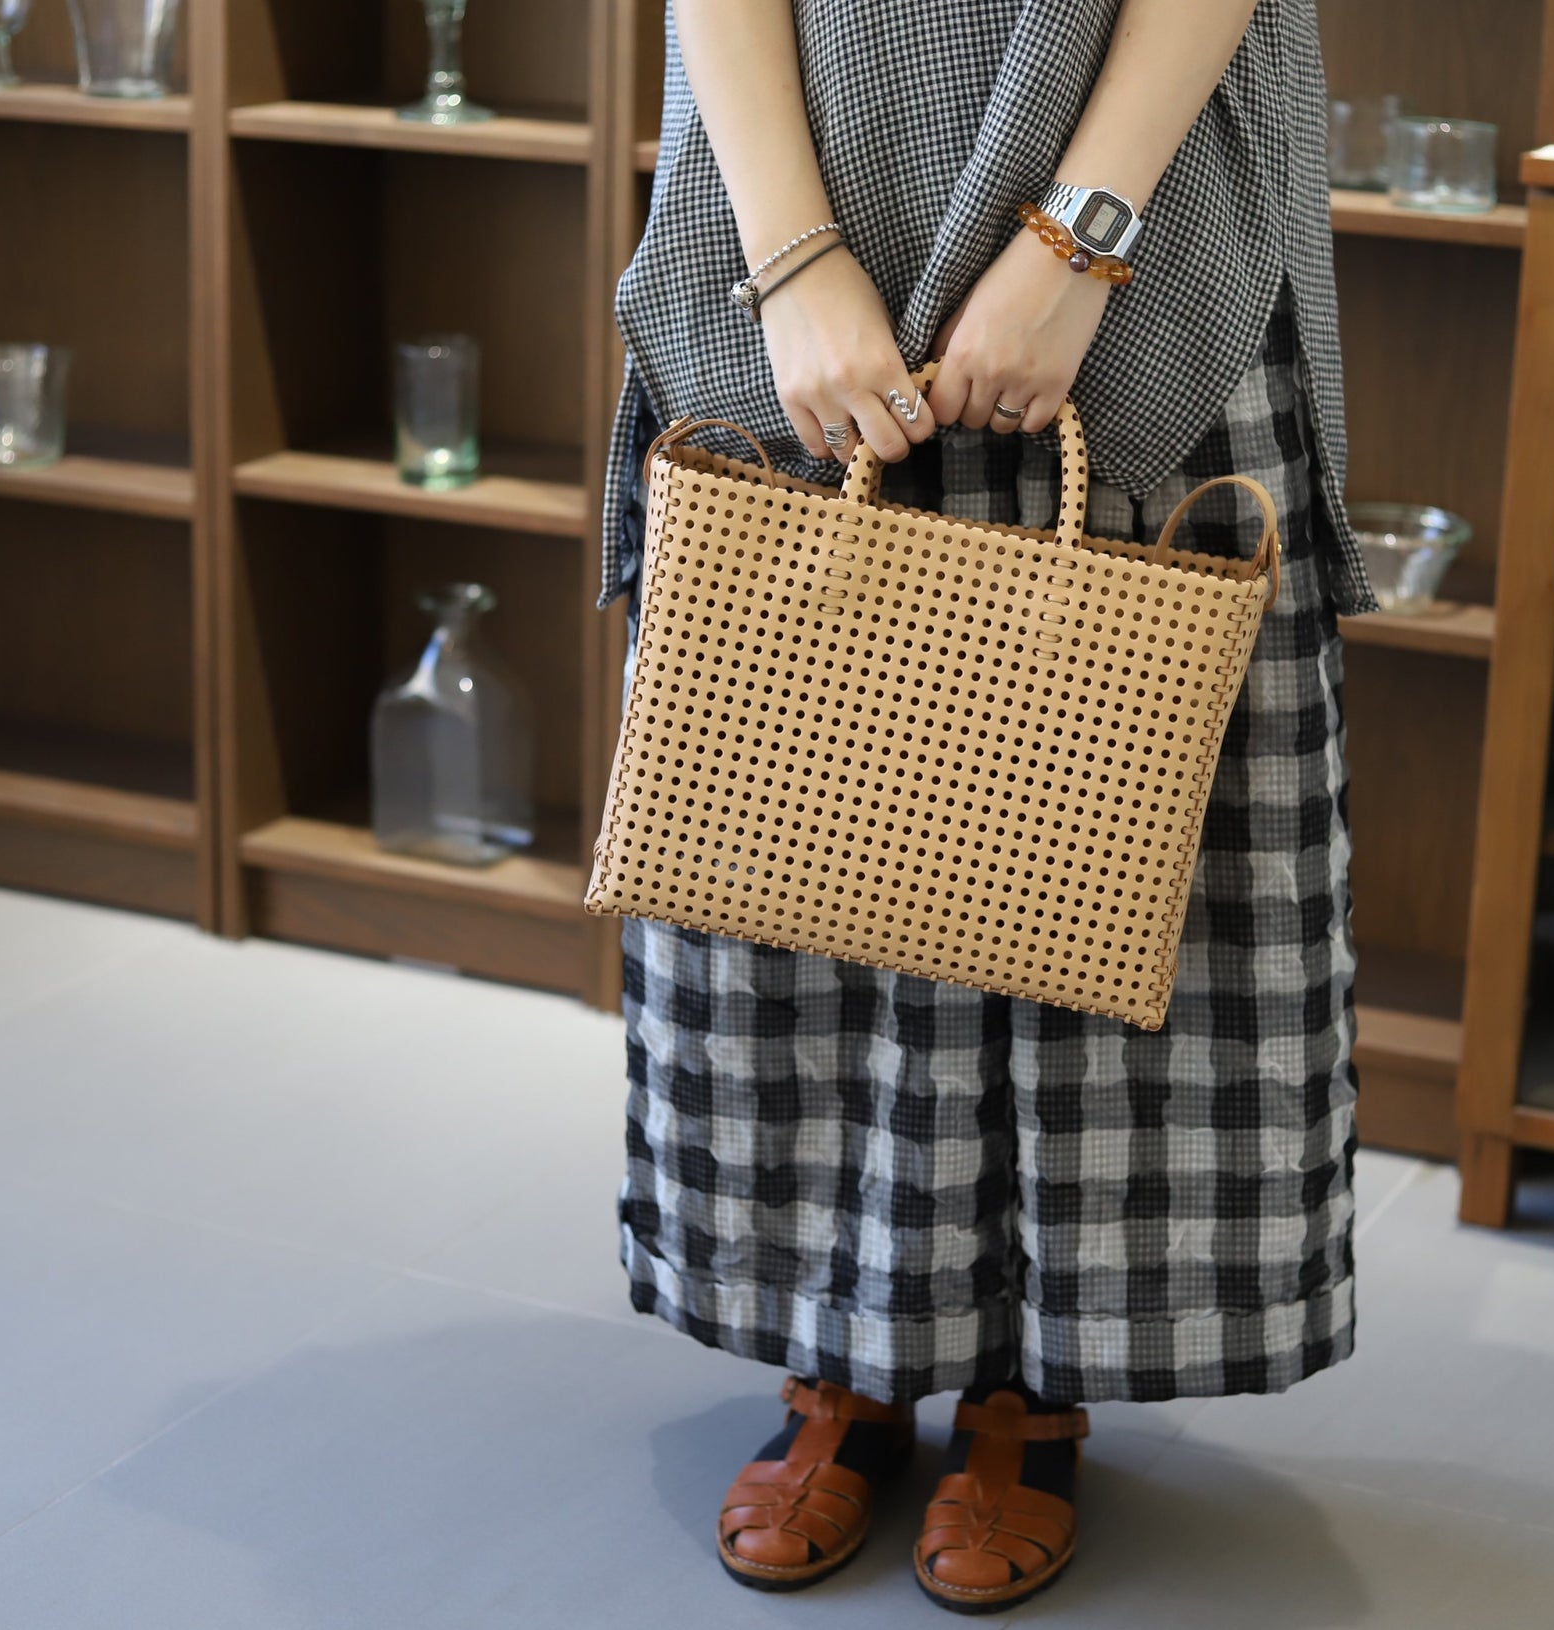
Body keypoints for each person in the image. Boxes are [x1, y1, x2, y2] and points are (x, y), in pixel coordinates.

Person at [596, 0, 1374, 1612]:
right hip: (796, 159)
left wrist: (1081, 239)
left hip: (1156, 190)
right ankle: (842, 1358)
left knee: (1114, 806)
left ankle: (1035, 1378)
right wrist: (794, 257)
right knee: (798, 809)